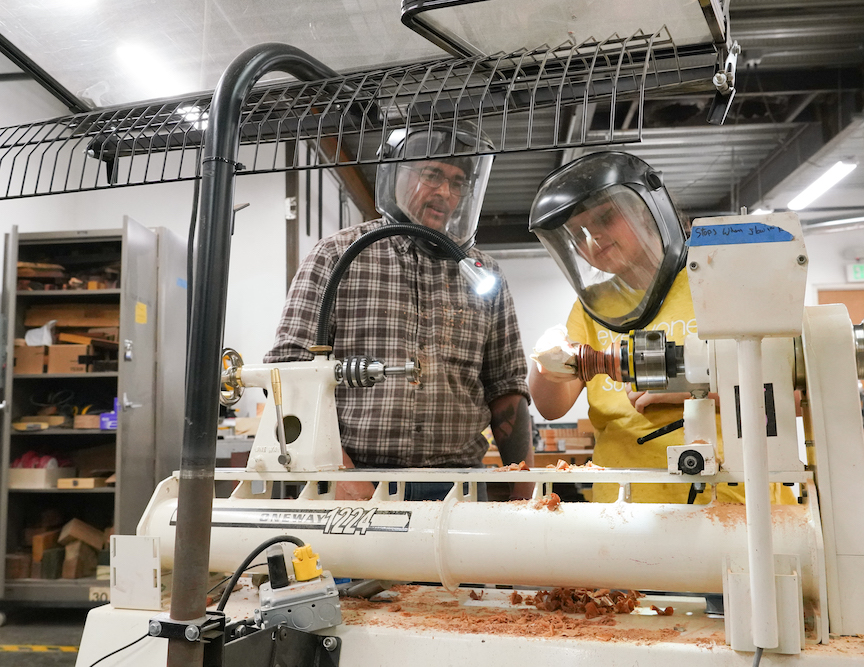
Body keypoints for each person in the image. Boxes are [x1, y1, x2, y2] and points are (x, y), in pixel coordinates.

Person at [265, 123, 533, 501]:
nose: (446, 192)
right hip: (353, 478)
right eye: (432, 175)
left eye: (458, 183)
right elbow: (288, 376)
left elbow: (507, 389)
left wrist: (523, 494)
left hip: (460, 488)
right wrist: (342, 479)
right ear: (393, 174)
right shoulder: (336, 257)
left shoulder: (483, 275)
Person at [527, 151, 793, 505]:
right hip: (622, 508)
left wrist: (694, 388)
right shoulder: (592, 307)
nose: (594, 239)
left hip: (733, 503)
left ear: (646, 208)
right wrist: (546, 359)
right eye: (579, 234)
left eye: (606, 217)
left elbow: (793, 397)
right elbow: (550, 408)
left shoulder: (724, 279)